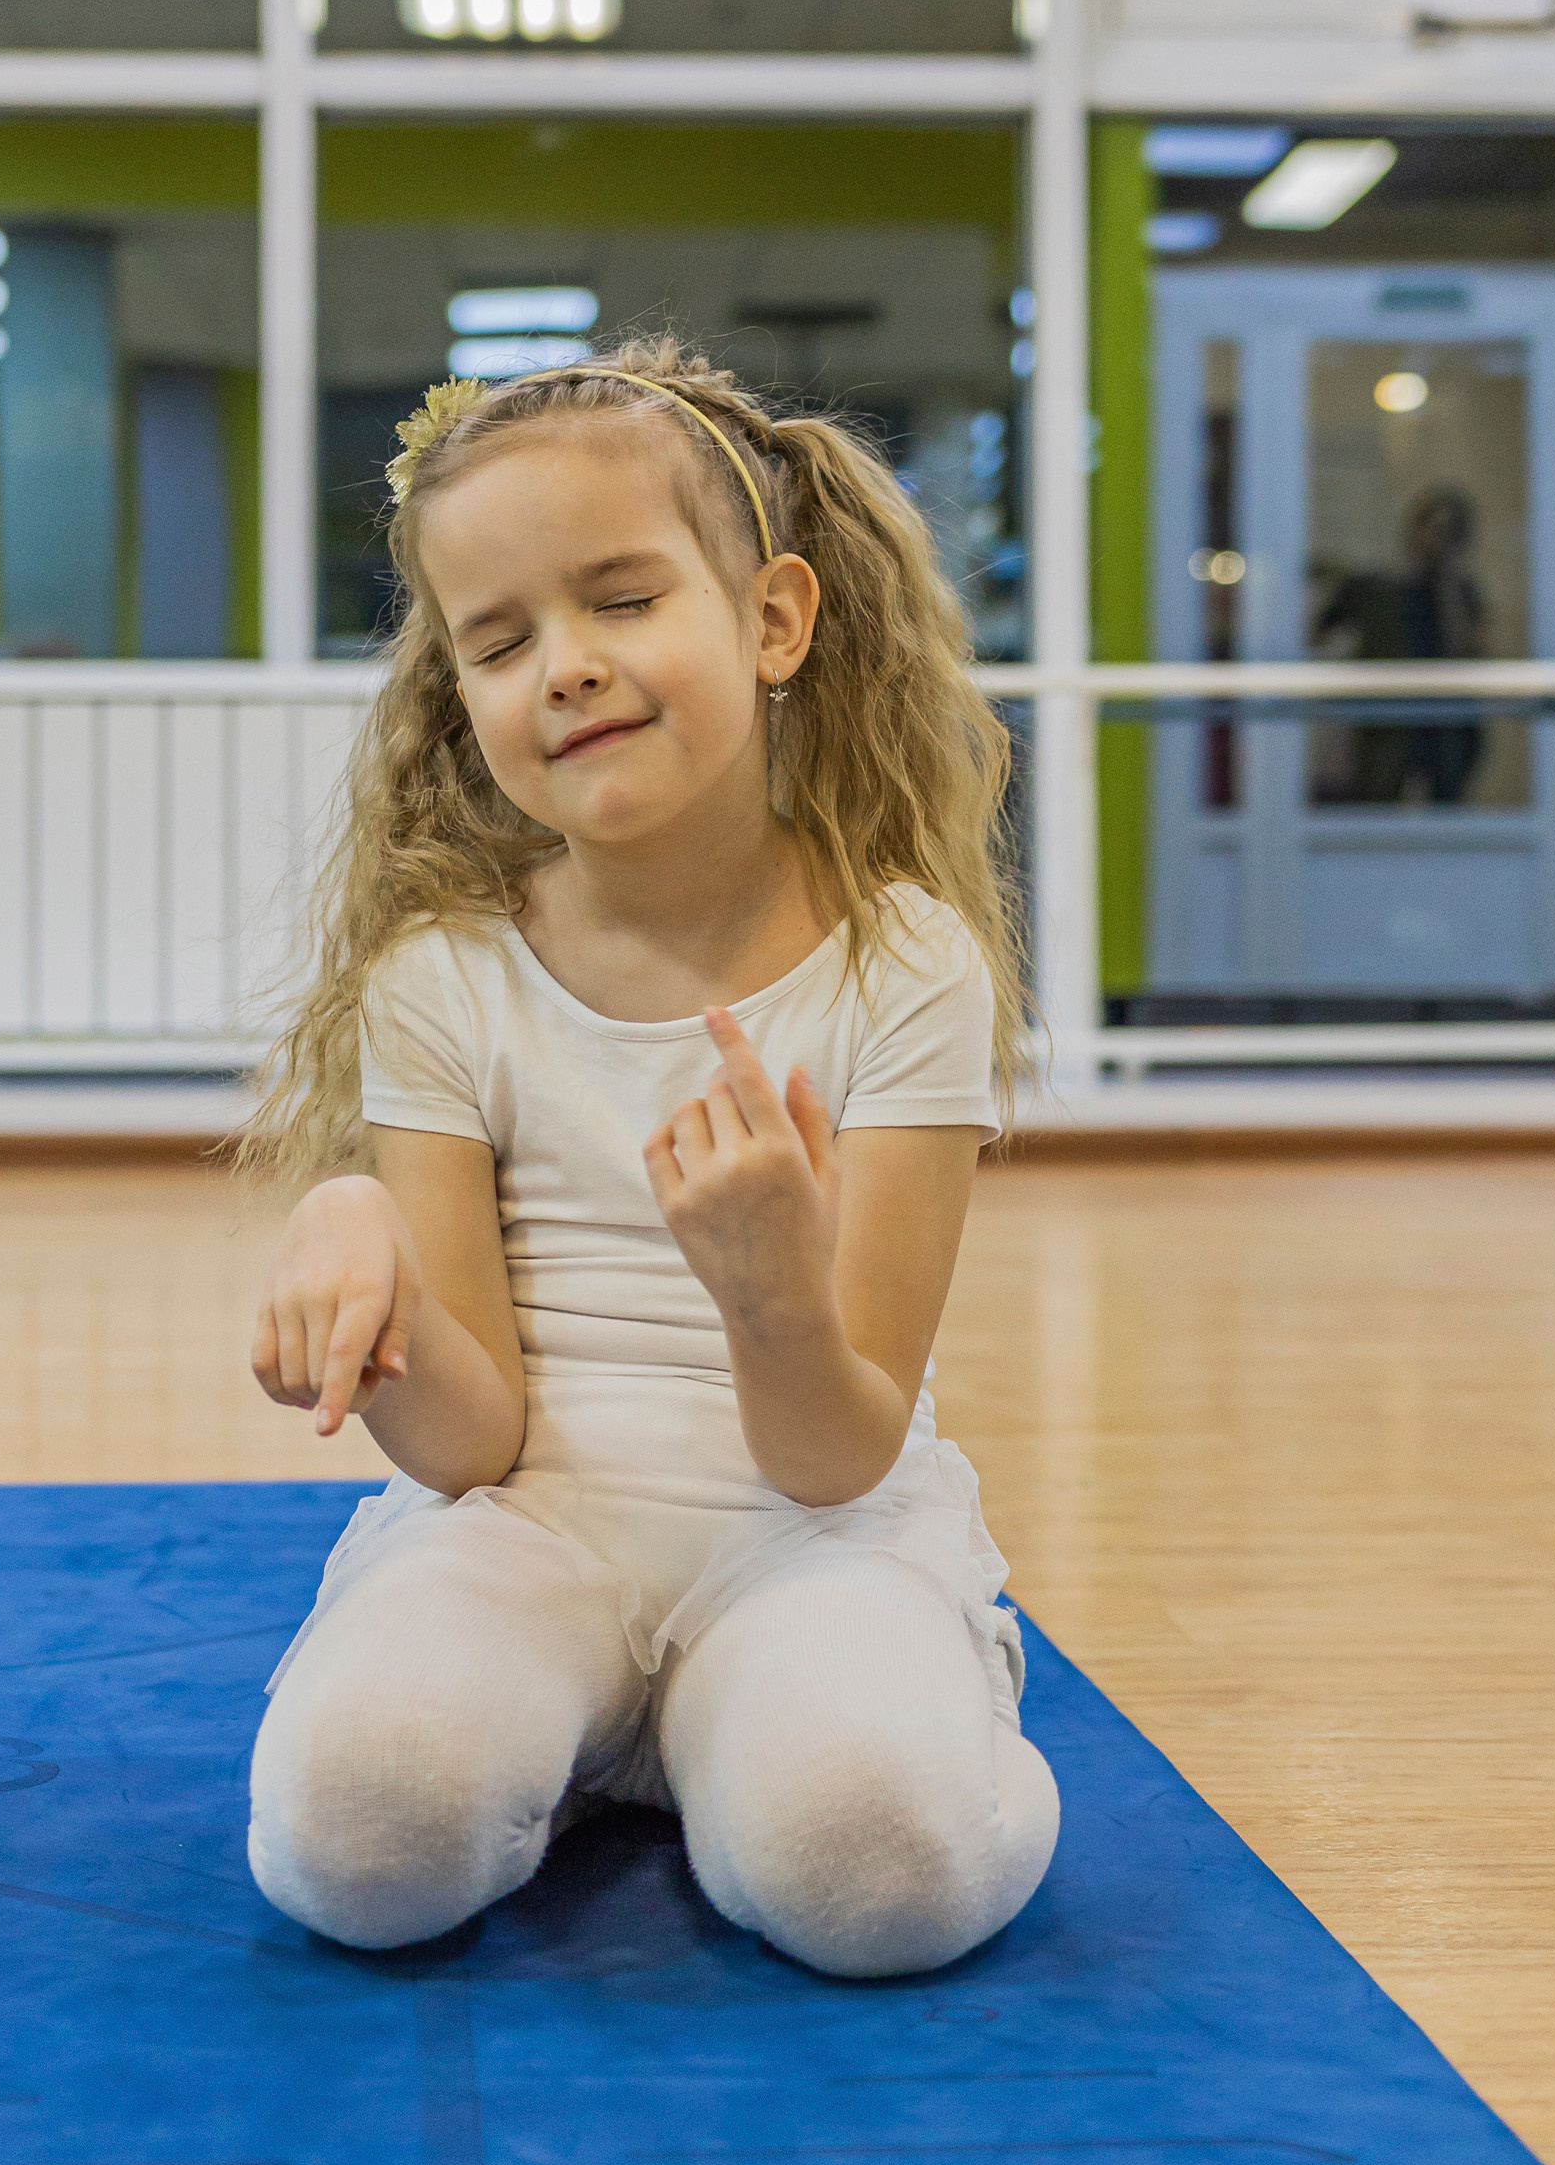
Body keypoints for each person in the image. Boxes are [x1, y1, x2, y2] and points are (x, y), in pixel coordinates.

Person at [236, 339, 1060, 1978]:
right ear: (459, 702)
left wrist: (765, 1290)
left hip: (810, 1534)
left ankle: (902, 1709)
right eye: (500, 637)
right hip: (524, 1534)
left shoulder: (906, 971)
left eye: (621, 598)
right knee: (358, 1840)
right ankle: (613, 1737)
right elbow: (471, 1445)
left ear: (772, 622)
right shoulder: (444, 979)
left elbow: (838, 1456)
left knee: (874, 1873)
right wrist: (371, 1274)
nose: (564, 666)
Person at [1311, 485, 1488, 806]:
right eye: (1434, 530)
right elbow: (1321, 633)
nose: (1439, 542)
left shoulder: (1460, 593)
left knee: (1446, 810)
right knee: (1377, 806)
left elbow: (1470, 648)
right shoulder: (1375, 587)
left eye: (1450, 534)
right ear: (1415, 530)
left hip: (1446, 723)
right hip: (1387, 722)